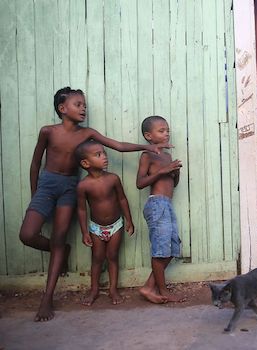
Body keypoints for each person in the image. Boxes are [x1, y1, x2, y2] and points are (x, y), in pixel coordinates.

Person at [19, 87, 170, 322]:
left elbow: (117, 145)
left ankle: (47, 298)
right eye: (77, 105)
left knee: (59, 239)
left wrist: (146, 147)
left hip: (69, 187)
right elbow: (35, 164)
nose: (83, 109)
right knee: (27, 234)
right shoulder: (48, 132)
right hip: (47, 186)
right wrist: (35, 195)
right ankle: (61, 252)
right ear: (62, 108)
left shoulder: (86, 133)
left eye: (84, 105)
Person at [75, 140, 134, 306]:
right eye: (98, 155)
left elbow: (122, 199)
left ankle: (113, 289)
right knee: (97, 258)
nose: (104, 157)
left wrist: (129, 220)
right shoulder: (83, 185)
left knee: (112, 257)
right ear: (85, 163)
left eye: (104, 153)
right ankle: (94, 290)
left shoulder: (113, 179)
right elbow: (81, 210)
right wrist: (85, 231)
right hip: (96, 228)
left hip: (116, 225)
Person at [137, 115, 185, 303]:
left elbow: (173, 183)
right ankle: (162, 290)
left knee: (172, 248)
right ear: (149, 136)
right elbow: (140, 183)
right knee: (160, 250)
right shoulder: (147, 155)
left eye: (168, 131)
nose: (166, 134)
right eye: (161, 131)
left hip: (167, 204)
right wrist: (163, 171)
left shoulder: (167, 156)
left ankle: (148, 287)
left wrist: (175, 172)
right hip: (156, 204)